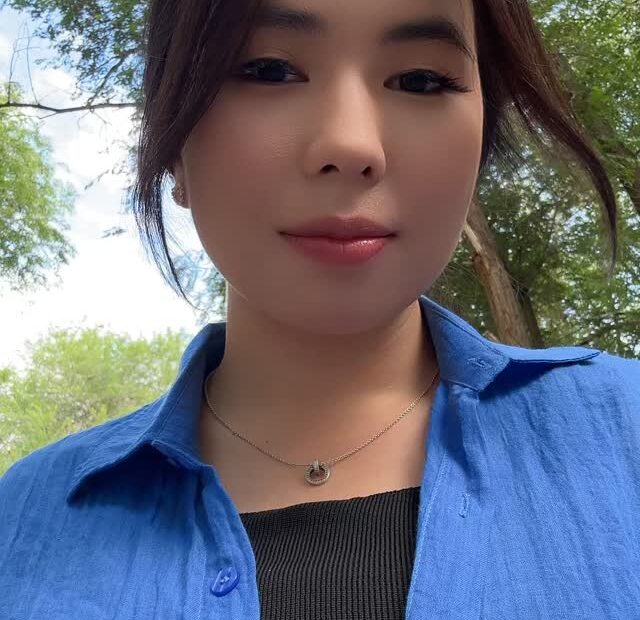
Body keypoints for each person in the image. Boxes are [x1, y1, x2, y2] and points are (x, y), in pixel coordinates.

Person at [1, 0, 638, 618]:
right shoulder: (20, 525)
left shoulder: (623, 433)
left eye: (420, 80)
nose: (352, 145)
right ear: (173, 145)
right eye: (268, 70)